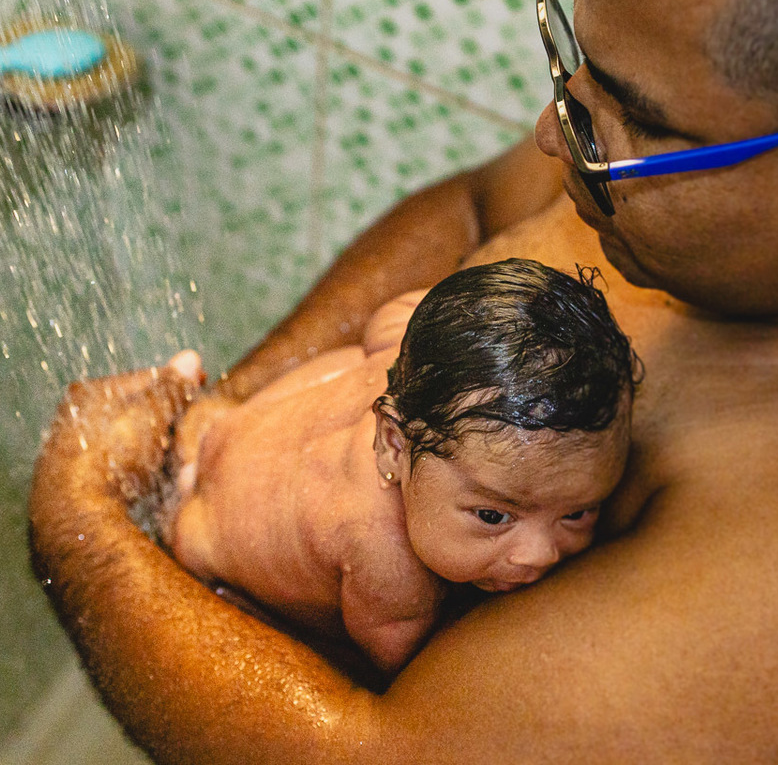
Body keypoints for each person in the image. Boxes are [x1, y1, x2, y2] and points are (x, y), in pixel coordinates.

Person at [28, 0, 778, 762]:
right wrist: (226, 419)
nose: (550, 134)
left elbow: (376, 758)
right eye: (576, 65)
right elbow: (481, 208)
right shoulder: (663, 155)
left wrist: (83, 527)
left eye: (636, 122)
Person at [163, 259, 636, 674]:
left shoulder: (411, 352)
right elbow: (405, 681)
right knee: (316, 653)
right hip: (201, 541)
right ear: (391, 444)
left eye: (577, 513)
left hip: (231, 435)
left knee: (359, 361)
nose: (539, 554)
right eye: (494, 516)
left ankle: (188, 414)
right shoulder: (391, 566)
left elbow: (394, 311)